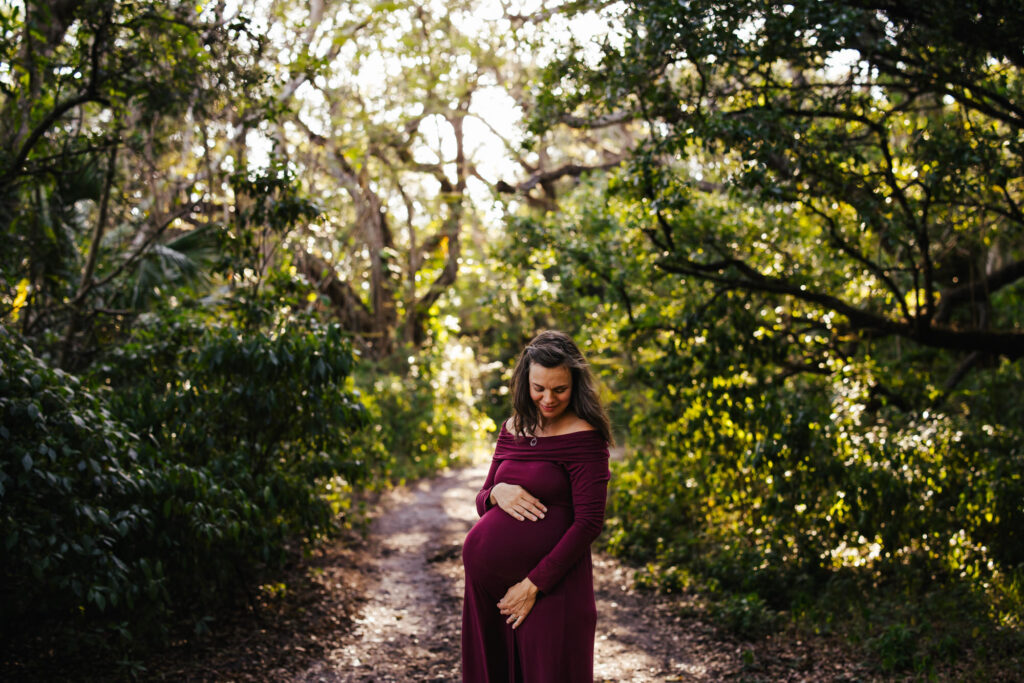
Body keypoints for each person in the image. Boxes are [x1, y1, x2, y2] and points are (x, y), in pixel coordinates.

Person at [461, 330, 613, 682]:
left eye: (559, 389)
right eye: (538, 388)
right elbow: (483, 501)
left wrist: (532, 585)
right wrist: (498, 491)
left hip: (552, 587)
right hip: (488, 592)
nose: (548, 398)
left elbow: (589, 523)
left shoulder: (584, 437)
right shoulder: (512, 428)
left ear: (575, 384)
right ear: (524, 383)